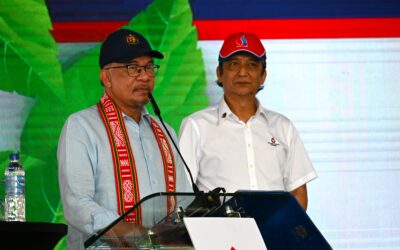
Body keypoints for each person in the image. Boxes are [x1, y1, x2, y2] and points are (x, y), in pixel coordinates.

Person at [58, 29, 191, 250]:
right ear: (106, 77)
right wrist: (125, 230)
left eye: (149, 67)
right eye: (133, 68)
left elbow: (182, 201)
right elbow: (76, 204)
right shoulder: (81, 126)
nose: (145, 76)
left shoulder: (165, 131)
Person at [179, 32, 317, 210]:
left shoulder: (283, 126)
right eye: (234, 64)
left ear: (263, 75)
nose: (242, 72)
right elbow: (182, 193)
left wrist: (285, 233)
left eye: (251, 65)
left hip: (272, 235)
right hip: (219, 235)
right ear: (220, 73)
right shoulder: (196, 125)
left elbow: (298, 191)